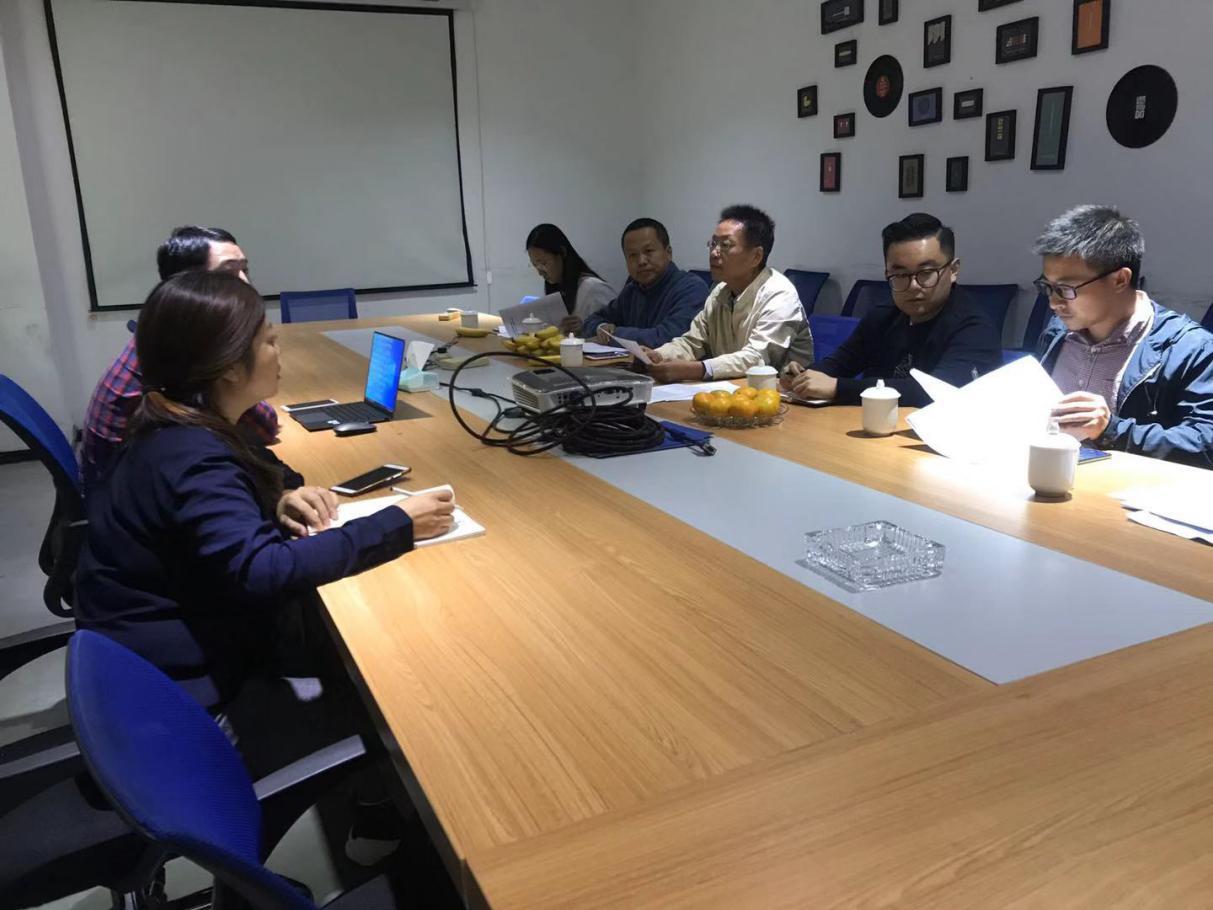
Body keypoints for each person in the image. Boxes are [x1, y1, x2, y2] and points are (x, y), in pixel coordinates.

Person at [74, 270, 455, 720]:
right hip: (175, 683)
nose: (279, 351)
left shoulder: (180, 418)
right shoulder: (192, 456)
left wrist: (278, 497)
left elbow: (265, 468)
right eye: (269, 341)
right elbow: (262, 569)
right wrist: (399, 524)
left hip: (149, 641)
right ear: (230, 367)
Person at [81, 225, 278, 490]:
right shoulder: (184, 353)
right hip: (139, 498)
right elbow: (262, 428)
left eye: (245, 270)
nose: (245, 283)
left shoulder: (162, 332)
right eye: (229, 273)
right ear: (190, 285)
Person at [1033, 205, 1213, 467]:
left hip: (1133, 489)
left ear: (1120, 280)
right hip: (1048, 477)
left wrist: (1111, 430)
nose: (1053, 302)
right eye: (1047, 287)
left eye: (1066, 289)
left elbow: (1206, 444)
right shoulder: (1058, 332)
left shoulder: (1190, 350)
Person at [781, 213, 1002, 406]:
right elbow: (842, 362)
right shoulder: (883, 315)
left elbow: (939, 392)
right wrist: (805, 376)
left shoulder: (975, 329)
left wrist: (838, 388)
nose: (913, 285)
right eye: (900, 275)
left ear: (953, 270)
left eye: (926, 273)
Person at [644, 205, 812, 381]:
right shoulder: (720, 291)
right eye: (713, 243)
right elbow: (693, 342)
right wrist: (658, 355)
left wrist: (697, 370)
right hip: (730, 389)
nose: (714, 253)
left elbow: (755, 359)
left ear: (756, 256)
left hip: (782, 392)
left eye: (725, 245)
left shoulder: (780, 295)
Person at [578, 218, 708, 346]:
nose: (641, 261)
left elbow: (667, 338)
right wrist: (601, 327)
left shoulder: (692, 288)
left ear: (668, 253)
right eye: (633, 255)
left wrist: (613, 335)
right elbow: (592, 320)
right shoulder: (632, 290)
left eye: (648, 251)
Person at [525, 223, 616, 334]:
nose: (540, 272)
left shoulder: (593, 288)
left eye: (543, 263)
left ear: (562, 253)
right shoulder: (556, 289)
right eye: (535, 266)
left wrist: (585, 329)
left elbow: (614, 331)